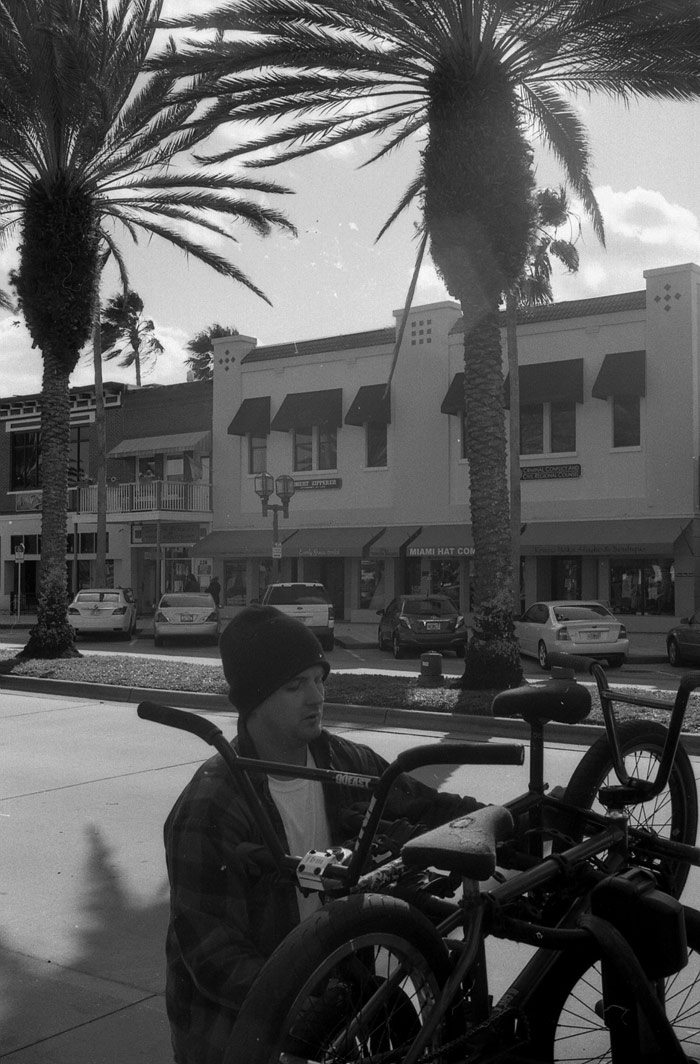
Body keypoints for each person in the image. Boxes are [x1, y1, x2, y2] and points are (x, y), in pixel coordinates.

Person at [163, 606, 484, 1064]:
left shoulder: (341, 761)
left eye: (320, 679)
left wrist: (495, 819)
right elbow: (211, 950)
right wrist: (306, 1003)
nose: (316, 697)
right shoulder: (211, 804)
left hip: (329, 1018)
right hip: (235, 1035)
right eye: (295, 686)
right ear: (255, 699)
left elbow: (421, 802)